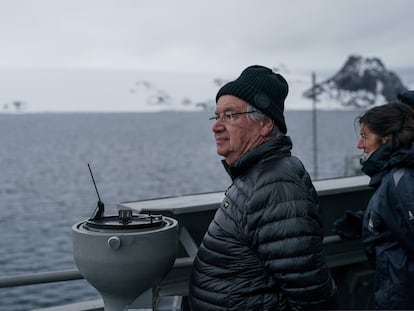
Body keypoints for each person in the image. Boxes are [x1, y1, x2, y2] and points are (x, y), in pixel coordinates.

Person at [188, 65, 337, 310]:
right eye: (217, 116)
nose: (216, 126)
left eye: (231, 115)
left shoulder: (275, 185)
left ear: (265, 124)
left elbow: (310, 293)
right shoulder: (259, 176)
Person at [333, 102, 414, 309]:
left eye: (365, 136)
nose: (360, 144)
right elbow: (398, 220)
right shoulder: (395, 175)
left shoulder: (400, 179)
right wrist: (365, 223)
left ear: (386, 139)